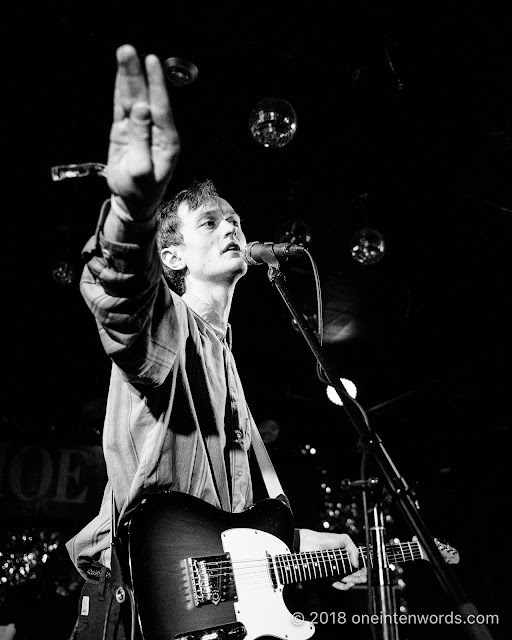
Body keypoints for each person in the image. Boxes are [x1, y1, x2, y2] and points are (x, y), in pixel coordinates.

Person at [66, 44, 366, 639]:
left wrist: (335, 548)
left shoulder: (225, 360)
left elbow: (239, 533)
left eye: (235, 218)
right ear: (172, 253)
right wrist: (133, 210)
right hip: (137, 609)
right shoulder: (168, 324)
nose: (232, 224)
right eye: (211, 220)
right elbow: (119, 297)